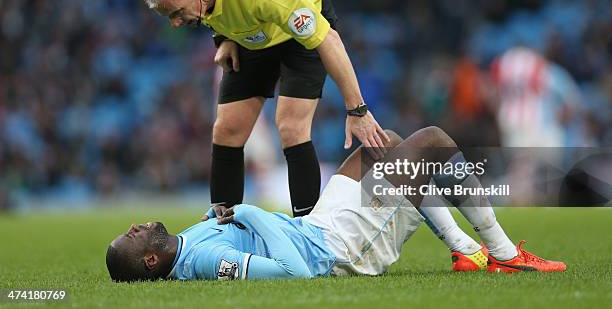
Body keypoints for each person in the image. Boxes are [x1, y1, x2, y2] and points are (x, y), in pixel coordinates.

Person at [105, 127, 566, 282]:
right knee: (434, 142)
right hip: (336, 247)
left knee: (380, 147)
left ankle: (465, 250)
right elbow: (294, 274)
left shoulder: (186, 243)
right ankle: (504, 255)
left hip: (319, 226)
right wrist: (250, 213)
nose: (135, 225)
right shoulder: (205, 261)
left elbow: (232, 231)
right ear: (150, 259)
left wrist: (218, 217)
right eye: (133, 236)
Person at [141, 0, 390, 218]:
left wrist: (357, 111)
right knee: (227, 129)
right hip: (251, 34)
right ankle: (223, 231)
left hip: (295, 32)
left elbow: (329, 40)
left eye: (176, 13)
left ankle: (309, 232)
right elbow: (215, 6)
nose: (175, 23)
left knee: (291, 127)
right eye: (168, 17)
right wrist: (222, 38)